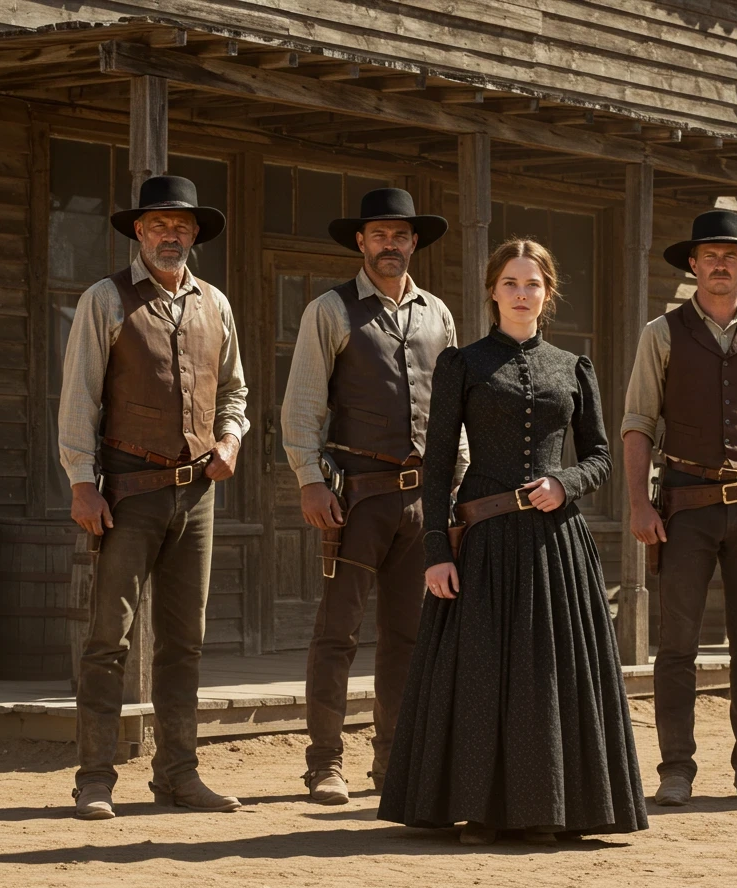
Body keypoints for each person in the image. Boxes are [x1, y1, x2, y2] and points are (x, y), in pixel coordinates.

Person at [379, 239, 648, 845]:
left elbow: (601, 456)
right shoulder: (462, 364)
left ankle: (550, 810)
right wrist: (436, 552)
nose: (521, 294)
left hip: (556, 544)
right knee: (482, 677)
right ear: (493, 291)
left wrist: (565, 483)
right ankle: (481, 810)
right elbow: (437, 463)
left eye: (532, 284)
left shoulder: (573, 367)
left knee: (549, 676)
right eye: (510, 283)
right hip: (484, 543)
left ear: (547, 293)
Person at [60, 175, 249, 820]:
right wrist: (82, 482)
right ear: (139, 231)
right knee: (108, 639)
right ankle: (94, 778)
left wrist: (230, 439)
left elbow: (235, 391)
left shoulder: (215, 305)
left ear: (195, 235)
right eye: (160, 224)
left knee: (184, 642)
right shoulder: (105, 299)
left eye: (182, 226)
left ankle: (178, 777)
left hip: (196, 495)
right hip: (127, 493)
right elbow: (79, 397)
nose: (171, 235)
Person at [623, 209, 737, 808]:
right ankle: (676, 770)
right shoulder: (661, 333)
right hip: (685, 505)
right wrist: (639, 504)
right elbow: (637, 422)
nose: (720, 264)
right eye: (710, 255)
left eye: (731, 255)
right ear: (693, 264)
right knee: (677, 644)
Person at [282, 188, 465, 804]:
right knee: (337, 633)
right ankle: (324, 764)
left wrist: (458, 485)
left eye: (401, 235)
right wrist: (309, 479)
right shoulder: (330, 310)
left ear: (415, 243)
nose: (391, 245)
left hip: (423, 502)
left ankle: (393, 765)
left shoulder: (438, 315)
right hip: (355, 500)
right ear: (360, 242)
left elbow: (452, 412)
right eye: (379, 235)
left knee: (408, 637)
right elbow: (303, 403)